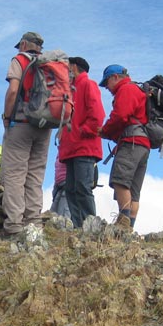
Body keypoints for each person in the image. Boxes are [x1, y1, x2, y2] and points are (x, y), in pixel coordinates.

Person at [0, 31, 52, 236]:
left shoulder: (20, 60)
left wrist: (7, 117)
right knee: (35, 176)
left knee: (15, 174)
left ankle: (14, 226)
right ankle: (34, 224)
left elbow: (13, 91)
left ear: (23, 44)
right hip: (45, 125)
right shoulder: (51, 64)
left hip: (21, 122)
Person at [99, 64, 151, 232]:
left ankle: (123, 223)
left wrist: (104, 131)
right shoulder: (136, 90)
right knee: (134, 190)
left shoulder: (126, 89)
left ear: (115, 77)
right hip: (143, 144)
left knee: (120, 181)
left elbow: (120, 115)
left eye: (106, 82)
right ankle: (130, 228)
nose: (106, 87)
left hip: (131, 142)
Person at [58, 56, 104, 228]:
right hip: (72, 147)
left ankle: (91, 227)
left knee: (83, 188)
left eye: (68, 66)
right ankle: (80, 226)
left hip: (84, 146)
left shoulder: (88, 84)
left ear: (75, 67)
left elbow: (97, 115)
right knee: (71, 189)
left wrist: (82, 131)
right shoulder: (71, 89)